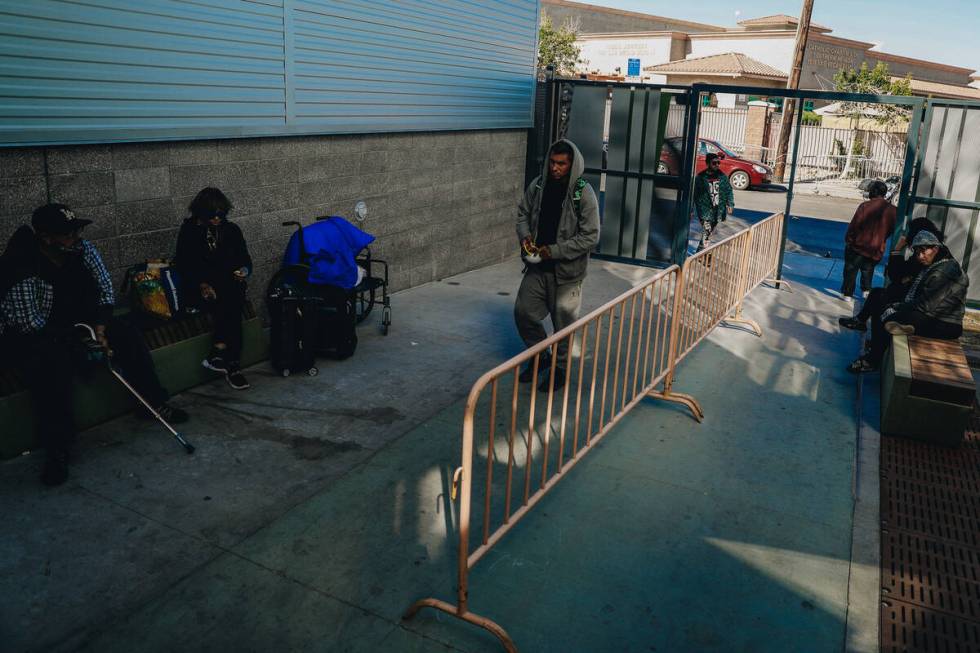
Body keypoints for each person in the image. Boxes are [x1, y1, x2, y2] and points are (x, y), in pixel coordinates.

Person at [0, 203, 189, 486]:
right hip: (39, 333)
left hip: (83, 320)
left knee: (126, 333)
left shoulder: (82, 249)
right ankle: (58, 448)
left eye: (76, 230)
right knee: (51, 366)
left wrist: (99, 327)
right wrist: (78, 340)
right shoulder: (21, 263)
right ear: (46, 238)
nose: (75, 237)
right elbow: (29, 322)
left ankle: (152, 402)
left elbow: (104, 287)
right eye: (67, 234)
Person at [515, 139, 600, 392]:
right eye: (553, 162)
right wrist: (525, 237)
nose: (555, 168)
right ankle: (541, 356)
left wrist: (554, 251)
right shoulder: (539, 185)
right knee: (523, 312)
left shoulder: (583, 192)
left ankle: (559, 369)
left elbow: (590, 236)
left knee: (563, 326)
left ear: (572, 164)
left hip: (567, 274)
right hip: (537, 268)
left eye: (561, 164)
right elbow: (522, 214)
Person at [847, 230, 968, 373]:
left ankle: (872, 360)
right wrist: (898, 250)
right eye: (917, 253)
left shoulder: (942, 272)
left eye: (924, 252)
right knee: (880, 298)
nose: (920, 256)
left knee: (888, 314)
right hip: (931, 314)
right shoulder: (935, 261)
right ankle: (881, 342)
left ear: (935, 248)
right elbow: (897, 276)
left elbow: (926, 305)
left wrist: (898, 306)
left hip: (945, 323)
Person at [175, 188, 253, 390]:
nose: (218, 219)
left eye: (221, 214)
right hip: (199, 288)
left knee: (232, 296)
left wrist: (244, 270)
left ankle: (220, 352)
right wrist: (202, 285)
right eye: (212, 215)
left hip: (227, 286)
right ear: (202, 213)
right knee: (231, 301)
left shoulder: (231, 230)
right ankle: (232, 365)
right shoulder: (190, 232)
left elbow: (245, 259)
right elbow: (185, 266)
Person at [839, 217, 942, 332]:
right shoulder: (928, 250)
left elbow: (896, 275)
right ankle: (861, 322)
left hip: (915, 302)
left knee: (880, 302)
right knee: (877, 294)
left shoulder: (924, 254)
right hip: (913, 296)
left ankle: (874, 344)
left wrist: (897, 249)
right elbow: (901, 275)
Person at [840, 180, 897, 302]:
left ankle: (847, 294)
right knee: (868, 270)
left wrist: (849, 240)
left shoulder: (865, 206)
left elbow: (854, 226)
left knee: (851, 270)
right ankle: (866, 291)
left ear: (872, 192)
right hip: (876, 248)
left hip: (858, 246)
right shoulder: (893, 210)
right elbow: (892, 230)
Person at [693, 153, 735, 252]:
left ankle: (699, 251)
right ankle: (705, 255)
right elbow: (694, 194)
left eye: (718, 163)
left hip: (718, 211)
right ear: (708, 163)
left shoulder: (722, 176)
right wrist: (691, 208)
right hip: (705, 210)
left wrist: (730, 203)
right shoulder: (700, 178)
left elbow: (728, 190)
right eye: (714, 163)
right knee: (707, 231)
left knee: (708, 232)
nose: (717, 165)